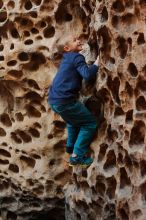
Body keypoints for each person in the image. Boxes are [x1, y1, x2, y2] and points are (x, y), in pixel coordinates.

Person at [48, 35, 99, 166]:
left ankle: (70, 146)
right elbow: (87, 74)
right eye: (75, 40)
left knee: (72, 121)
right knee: (89, 124)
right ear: (67, 48)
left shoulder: (67, 58)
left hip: (54, 101)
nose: (79, 41)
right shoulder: (77, 57)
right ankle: (76, 156)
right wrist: (97, 64)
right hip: (66, 101)